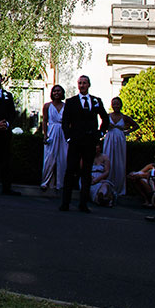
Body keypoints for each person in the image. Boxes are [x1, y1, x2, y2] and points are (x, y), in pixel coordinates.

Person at [60, 75, 110, 213]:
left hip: (90, 141)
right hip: (75, 141)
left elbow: (105, 118)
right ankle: (65, 203)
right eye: (80, 83)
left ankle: (83, 203)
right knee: (70, 171)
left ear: (89, 85)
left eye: (84, 83)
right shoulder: (71, 102)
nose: (82, 85)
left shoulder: (95, 101)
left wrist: (100, 133)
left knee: (86, 172)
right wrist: (68, 137)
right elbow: (65, 121)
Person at [101, 96, 139, 199]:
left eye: (118, 103)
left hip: (120, 139)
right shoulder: (107, 116)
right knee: (108, 159)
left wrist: (127, 132)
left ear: (121, 105)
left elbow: (136, 125)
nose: (116, 106)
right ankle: (107, 186)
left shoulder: (124, 117)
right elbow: (102, 127)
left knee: (119, 162)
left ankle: (119, 187)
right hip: (109, 138)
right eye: (114, 104)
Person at [39, 84, 67, 192]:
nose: (56, 93)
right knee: (49, 158)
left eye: (59, 91)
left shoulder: (66, 106)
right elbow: (45, 120)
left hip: (63, 133)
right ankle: (46, 182)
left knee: (62, 158)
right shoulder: (47, 106)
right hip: (52, 131)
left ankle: (60, 183)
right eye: (54, 91)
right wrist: (45, 134)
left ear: (62, 93)